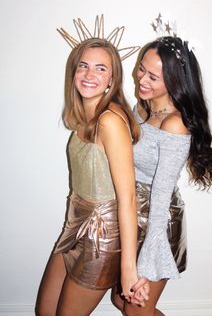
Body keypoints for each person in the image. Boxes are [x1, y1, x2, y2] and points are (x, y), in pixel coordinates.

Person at [35, 35, 148, 316]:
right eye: (83, 66)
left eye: (100, 68)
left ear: (112, 79)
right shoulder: (83, 115)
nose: (89, 75)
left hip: (102, 235)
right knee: (45, 311)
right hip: (76, 223)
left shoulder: (109, 120)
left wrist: (128, 270)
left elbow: (128, 197)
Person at [112, 36, 212, 316]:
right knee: (121, 301)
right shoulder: (143, 105)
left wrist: (149, 261)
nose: (141, 80)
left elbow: (161, 197)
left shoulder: (175, 124)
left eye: (153, 76)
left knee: (135, 309)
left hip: (158, 221)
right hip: (133, 213)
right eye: (141, 69)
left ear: (174, 80)